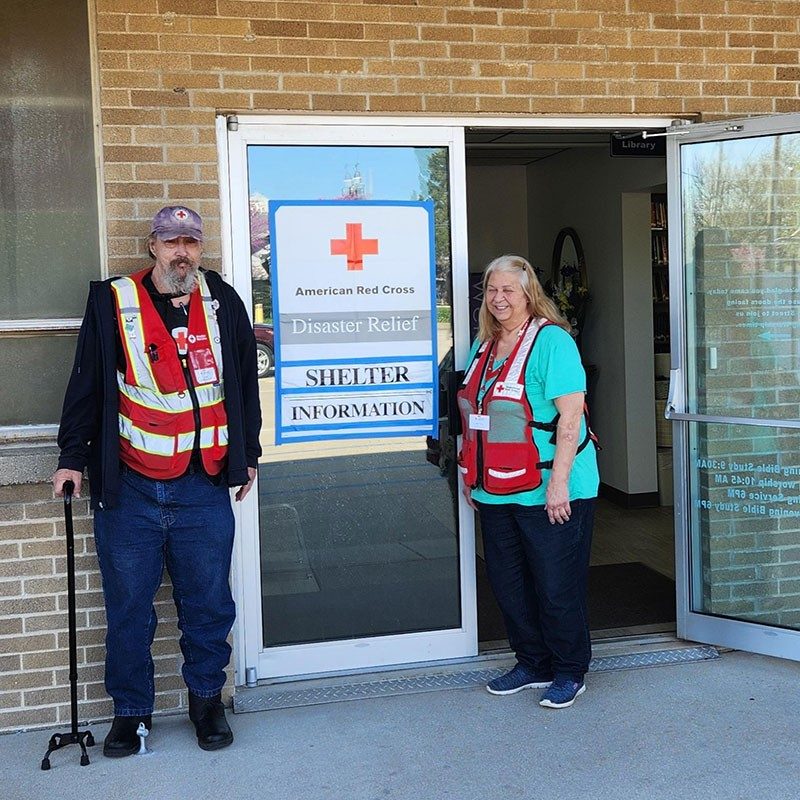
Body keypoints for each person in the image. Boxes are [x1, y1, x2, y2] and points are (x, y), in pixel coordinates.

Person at [52, 206, 262, 756]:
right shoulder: (112, 302)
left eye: (191, 241)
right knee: (127, 607)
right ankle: (131, 714)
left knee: (210, 604)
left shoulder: (222, 302)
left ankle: (206, 703)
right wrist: (72, 458)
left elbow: (242, 382)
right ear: (152, 246)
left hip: (204, 485)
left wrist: (249, 455)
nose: (182, 252)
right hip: (132, 489)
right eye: (171, 242)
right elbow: (86, 384)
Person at [457, 254, 599, 709]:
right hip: (494, 487)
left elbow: (571, 417)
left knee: (557, 584)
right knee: (509, 582)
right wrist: (469, 474)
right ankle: (532, 662)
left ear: (528, 293)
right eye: (492, 290)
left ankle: (569, 669)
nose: (499, 299)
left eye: (508, 291)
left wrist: (558, 484)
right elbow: (475, 416)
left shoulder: (552, 342)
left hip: (550, 487)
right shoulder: (485, 344)